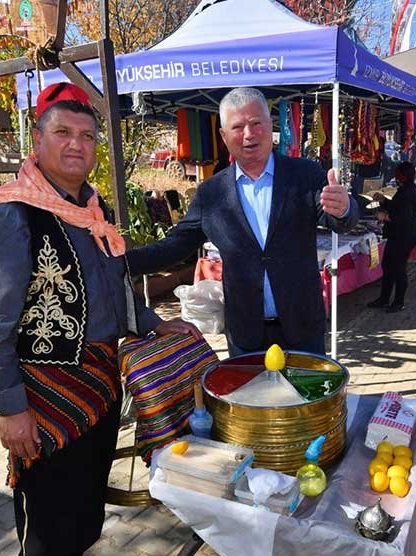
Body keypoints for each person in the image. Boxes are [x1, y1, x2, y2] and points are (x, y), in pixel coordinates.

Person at [0, 83, 199, 556]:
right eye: (63, 133)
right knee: (48, 510)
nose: (77, 144)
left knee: (84, 498)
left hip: (97, 381)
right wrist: (9, 408)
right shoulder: (13, 214)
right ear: (38, 139)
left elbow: (114, 290)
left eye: (86, 135)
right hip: (43, 394)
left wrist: (154, 324)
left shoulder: (89, 210)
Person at [127, 87, 359, 356]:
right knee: (248, 398)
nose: (248, 134)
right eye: (237, 127)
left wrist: (344, 209)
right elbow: (176, 246)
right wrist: (121, 260)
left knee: (306, 397)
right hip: (246, 334)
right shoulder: (211, 193)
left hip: (302, 327)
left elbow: (339, 220)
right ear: (224, 137)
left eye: (256, 123)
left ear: (270, 125)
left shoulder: (304, 175)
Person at [367, 162, 416, 312]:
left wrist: (384, 216)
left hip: (403, 236)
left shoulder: (407, 192)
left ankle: (398, 302)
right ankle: (384, 298)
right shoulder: (407, 190)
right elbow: (398, 206)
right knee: (388, 266)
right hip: (399, 235)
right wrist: (384, 201)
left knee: (398, 269)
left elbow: (403, 216)